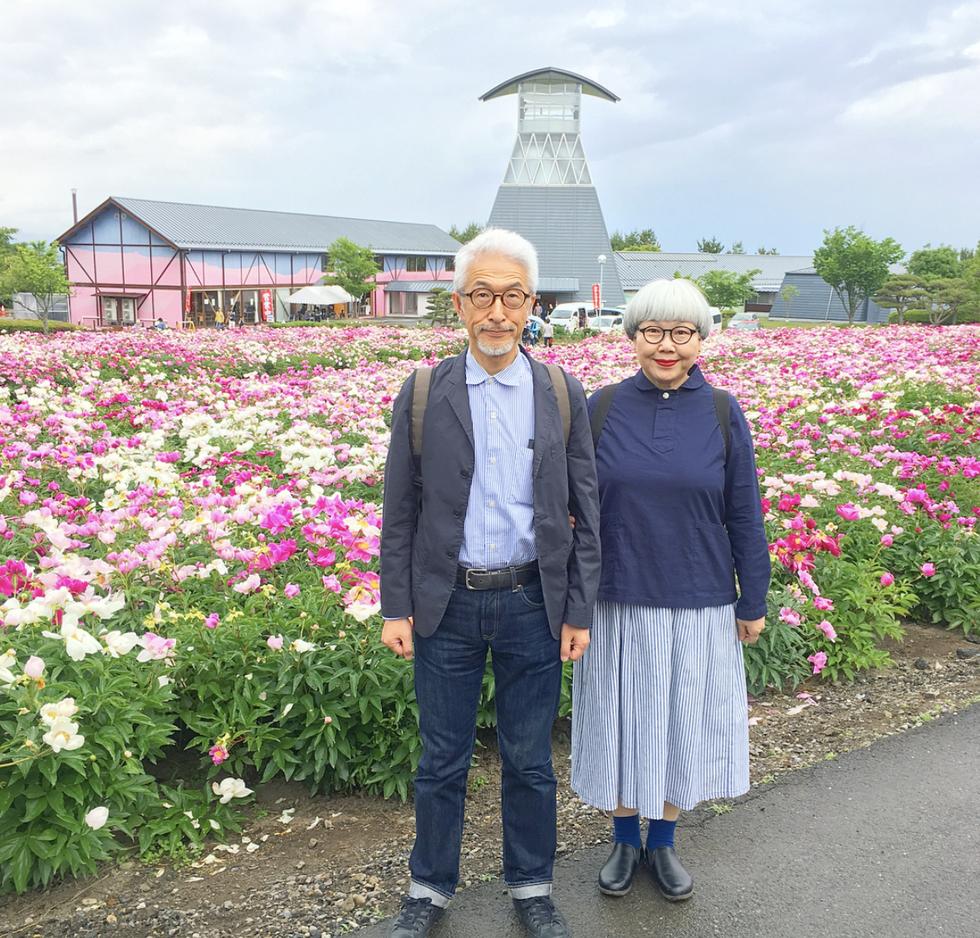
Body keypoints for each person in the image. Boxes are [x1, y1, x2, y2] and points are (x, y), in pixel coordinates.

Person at [380, 228, 601, 938]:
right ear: (459, 306)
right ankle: (429, 887)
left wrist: (578, 609)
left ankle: (532, 885)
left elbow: (586, 511)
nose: (497, 312)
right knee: (441, 758)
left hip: (533, 602)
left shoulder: (562, 393)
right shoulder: (422, 394)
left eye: (512, 296)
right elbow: (400, 512)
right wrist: (396, 607)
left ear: (531, 303)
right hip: (447, 602)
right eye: (483, 296)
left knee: (530, 759)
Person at [571, 278, 770, 903]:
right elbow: (573, 508)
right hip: (618, 596)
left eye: (682, 333)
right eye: (652, 332)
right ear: (631, 337)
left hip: (699, 596)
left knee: (681, 720)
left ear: (701, 339)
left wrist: (753, 597)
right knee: (625, 720)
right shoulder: (601, 408)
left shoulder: (721, 411)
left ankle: (663, 842)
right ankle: (624, 837)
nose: (666, 346)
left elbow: (744, 510)